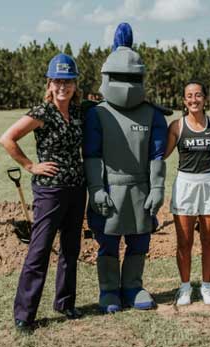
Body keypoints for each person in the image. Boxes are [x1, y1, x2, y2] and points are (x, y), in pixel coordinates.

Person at [83, 23, 168, 313]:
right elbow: (91, 154)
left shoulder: (153, 114)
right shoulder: (97, 114)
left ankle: (132, 285)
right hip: (109, 187)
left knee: (139, 240)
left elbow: (158, 155)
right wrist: (95, 188)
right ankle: (108, 289)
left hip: (141, 188)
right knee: (108, 241)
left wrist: (157, 188)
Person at [0, 53, 86, 333]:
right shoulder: (42, 113)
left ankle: (65, 302)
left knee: (71, 249)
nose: (63, 87)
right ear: (49, 84)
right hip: (50, 191)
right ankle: (24, 314)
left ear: (75, 85)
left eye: (68, 82)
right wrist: (29, 165)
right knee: (39, 250)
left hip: (76, 188)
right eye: (58, 81)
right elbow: (7, 138)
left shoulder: (79, 111)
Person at [164, 81, 210, 306]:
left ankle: (207, 287)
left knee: (209, 240)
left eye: (198, 95)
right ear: (184, 100)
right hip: (185, 185)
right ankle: (185, 287)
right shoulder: (176, 127)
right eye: (189, 96)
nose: (194, 99)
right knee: (184, 241)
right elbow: (162, 155)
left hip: (209, 183)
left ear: (205, 98)